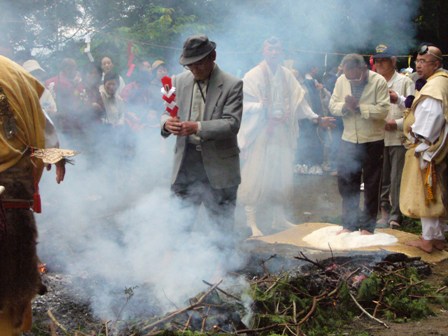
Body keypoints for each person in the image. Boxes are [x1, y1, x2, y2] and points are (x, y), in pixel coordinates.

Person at [237, 37, 335, 237]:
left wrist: (316, 118)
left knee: (281, 173)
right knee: (255, 173)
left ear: (282, 53)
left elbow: (300, 101)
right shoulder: (252, 75)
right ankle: (251, 221)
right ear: (263, 51)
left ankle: (278, 217)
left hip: (281, 132)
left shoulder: (287, 75)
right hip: (260, 132)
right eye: (270, 49)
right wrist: (260, 107)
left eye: (278, 50)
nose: (274, 53)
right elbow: (241, 105)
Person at [0, 55, 66, 335]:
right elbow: (44, 126)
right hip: (18, 197)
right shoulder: (16, 73)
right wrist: (57, 155)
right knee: (15, 277)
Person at [161, 35, 243, 240]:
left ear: (212, 57)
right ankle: (180, 267)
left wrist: (196, 127)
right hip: (186, 162)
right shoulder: (178, 81)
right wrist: (166, 123)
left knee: (221, 227)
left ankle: (223, 269)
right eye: (189, 65)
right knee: (179, 223)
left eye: (198, 64)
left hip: (219, 165)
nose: (194, 70)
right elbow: (167, 112)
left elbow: (232, 123)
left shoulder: (232, 84)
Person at [329, 53, 390, 235]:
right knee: (347, 181)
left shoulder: (378, 81)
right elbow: (332, 105)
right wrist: (346, 107)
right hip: (348, 138)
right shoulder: (341, 80)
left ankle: (368, 226)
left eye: (355, 76)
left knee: (371, 183)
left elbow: (384, 109)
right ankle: (349, 224)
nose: (352, 80)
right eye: (348, 77)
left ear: (363, 69)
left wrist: (360, 108)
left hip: (372, 139)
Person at [400, 45, 448, 253]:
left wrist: (414, 134)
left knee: (425, 193)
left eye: (423, 61)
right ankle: (437, 236)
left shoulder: (434, 87)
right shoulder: (440, 81)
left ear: (436, 64)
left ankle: (428, 239)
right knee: (436, 192)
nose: (418, 65)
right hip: (435, 147)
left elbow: (431, 119)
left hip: (427, 148)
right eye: (417, 61)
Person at [372, 44, 415, 229]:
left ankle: (396, 215)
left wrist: (396, 123)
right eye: (378, 60)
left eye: (384, 60)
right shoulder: (374, 82)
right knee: (380, 177)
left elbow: (413, 111)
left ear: (393, 61)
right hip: (377, 136)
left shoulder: (405, 82)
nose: (380, 63)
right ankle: (383, 212)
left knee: (397, 177)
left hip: (398, 136)